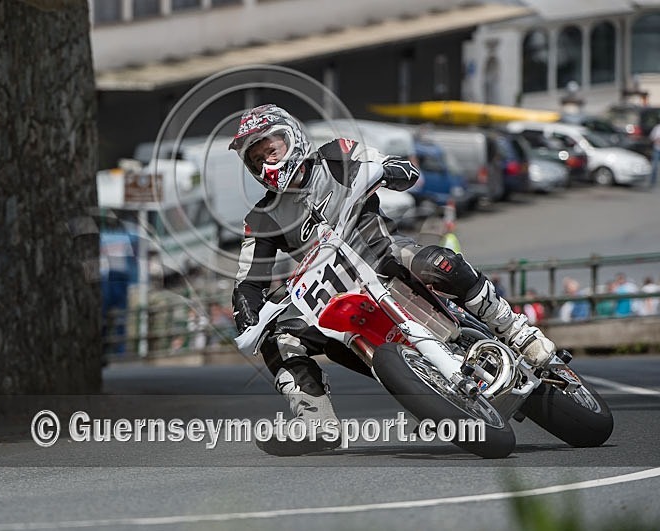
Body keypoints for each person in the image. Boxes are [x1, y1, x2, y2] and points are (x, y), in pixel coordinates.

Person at [228, 104, 557, 453]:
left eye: (270, 150)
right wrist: (246, 309)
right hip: (335, 298)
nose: (266, 164)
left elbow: (384, 163)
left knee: (437, 261)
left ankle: (517, 331)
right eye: (256, 160)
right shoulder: (261, 218)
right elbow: (248, 279)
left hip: (386, 255)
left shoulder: (335, 156)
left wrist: (393, 168)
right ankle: (316, 422)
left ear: (291, 137)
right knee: (278, 340)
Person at [650, 122, 660, 188]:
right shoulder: (657, 128)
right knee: (655, 165)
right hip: (657, 149)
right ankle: (652, 181)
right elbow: (652, 137)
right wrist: (656, 140)